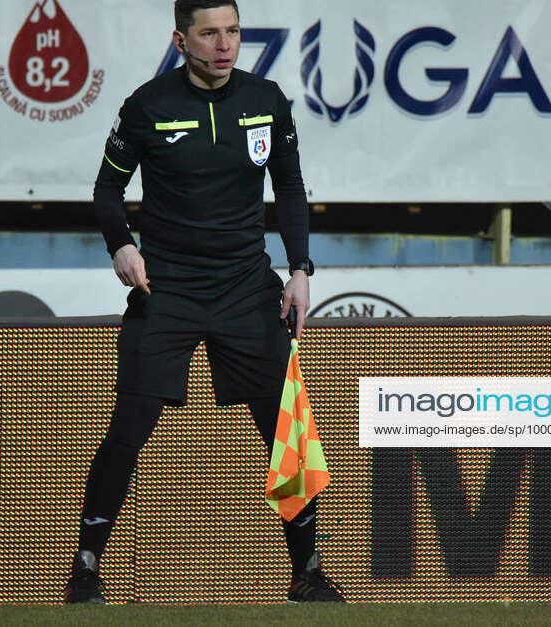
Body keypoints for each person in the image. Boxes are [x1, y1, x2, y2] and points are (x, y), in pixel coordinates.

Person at [64, 0, 343, 605]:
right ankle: (86, 571)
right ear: (181, 40)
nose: (225, 44)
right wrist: (121, 248)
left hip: (246, 285)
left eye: (233, 31)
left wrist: (299, 268)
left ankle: (308, 572)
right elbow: (107, 188)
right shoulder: (146, 106)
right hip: (166, 287)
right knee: (130, 425)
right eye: (210, 33)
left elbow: (289, 185)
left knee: (286, 429)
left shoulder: (266, 100)